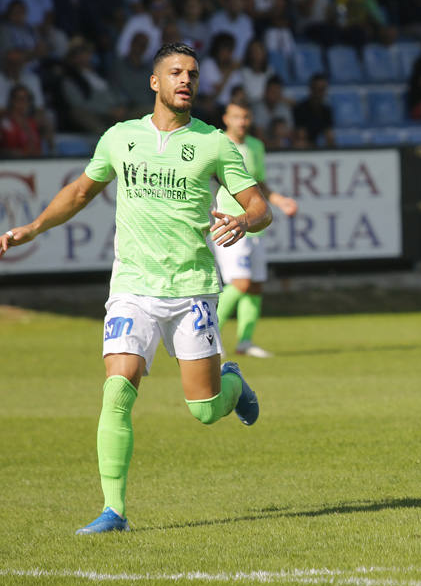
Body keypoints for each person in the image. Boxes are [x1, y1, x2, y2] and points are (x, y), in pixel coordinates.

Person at [0, 42, 271, 534]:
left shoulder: (214, 143)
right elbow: (81, 191)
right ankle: (114, 511)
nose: (185, 80)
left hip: (192, 289)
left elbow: (260, 207)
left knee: (205, 410)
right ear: (155, 82)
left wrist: (244, 221)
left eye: (191, 73)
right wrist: (33, 228)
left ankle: (232, 382)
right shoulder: (121, 137)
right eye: (175, 72)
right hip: (132, 286)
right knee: (118, 390)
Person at [213, 101, 298, 358]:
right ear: (226, 118)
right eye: (237, 117)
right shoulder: (216, 144)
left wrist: (279, 200)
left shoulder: (256, 146)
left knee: (256, 285)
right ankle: (206, 336)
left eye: (246, 117)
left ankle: (245, 342)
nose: (242, 122)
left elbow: (258, 183)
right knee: (240, 282)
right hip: (229, 224)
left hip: (255, 225)